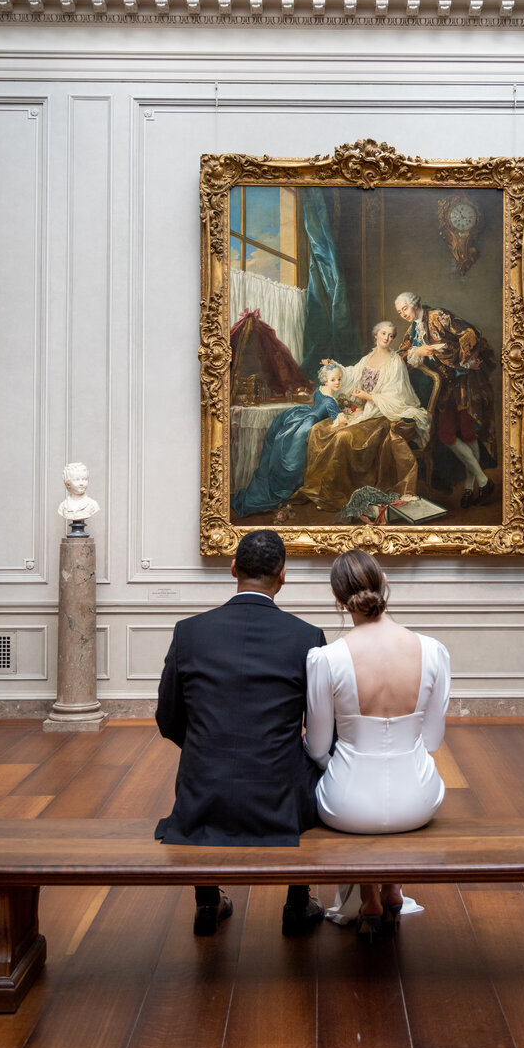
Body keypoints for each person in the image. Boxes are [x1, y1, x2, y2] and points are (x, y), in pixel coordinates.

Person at [155, 529, 327, 937]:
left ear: (233, 569)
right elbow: (321, 729)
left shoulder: (189, 632)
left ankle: (208, 902)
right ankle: (297, 905)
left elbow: (168, 717)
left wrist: (208, 745)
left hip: (204, 792)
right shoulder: (306, 638)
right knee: (311, 764)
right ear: (282, 576)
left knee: (200, 761)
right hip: (278, 794)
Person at [303, 549, 450, 937]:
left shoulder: (325, 658)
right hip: (418, 801)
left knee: (339, 780)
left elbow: (317, 747)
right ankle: (392, 890)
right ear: (387, 585)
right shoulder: (433, 650)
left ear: (338, 600)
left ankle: (368, 898)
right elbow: (432, 740)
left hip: (345, 806)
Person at [297, 321, 429, 512]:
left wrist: (368, 397)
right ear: (376, 335)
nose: (387, 338)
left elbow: (397, 397)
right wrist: (335, 367)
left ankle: (339, 494)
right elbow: (351, 375)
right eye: (383, 333)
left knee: (344, 436)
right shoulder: (369, 357)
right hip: (361, 411)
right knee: (318, 429)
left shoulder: (395, 362)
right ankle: (319, 489)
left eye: (391, 335)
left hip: (381, 416)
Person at [395, 291, 497, 507]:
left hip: (465, 382)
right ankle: (483, 481)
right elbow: (401, 355)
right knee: (447, 435)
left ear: (414, 304)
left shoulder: (438, 316)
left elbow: (470, 333)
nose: (403, 314)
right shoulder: (413, 328)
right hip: (443, 389)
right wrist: (418, 350)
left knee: (468, 433)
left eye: (405, 308)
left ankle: (471, 488)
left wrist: (456, 358)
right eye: (399, 311)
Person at [231, 362, 347, 517]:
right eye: (333, 380)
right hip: (307, 425)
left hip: (303, 415)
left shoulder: (320, 390)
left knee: (285, 450)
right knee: (293, 461)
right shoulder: (331, 401)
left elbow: (319, 404)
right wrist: (345, 416)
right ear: (325, 381)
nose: (337, 382)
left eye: (339, 379)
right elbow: (339, 420)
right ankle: (282, 492)